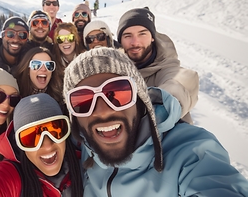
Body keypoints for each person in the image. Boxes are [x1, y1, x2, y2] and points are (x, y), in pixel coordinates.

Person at [62, 47, 248, 196]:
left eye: (117, 93)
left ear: (140, 97)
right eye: (83, 101)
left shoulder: (188, 152)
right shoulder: (84, 149)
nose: (102, 112)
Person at [116, 7, 199, 124]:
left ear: (153, 37)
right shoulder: (115, 67)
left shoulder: (166, 66)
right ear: (120, 41)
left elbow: (180, 80)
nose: (135, 42)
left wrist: (162, 102)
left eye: (142, 34)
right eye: (127, 36)